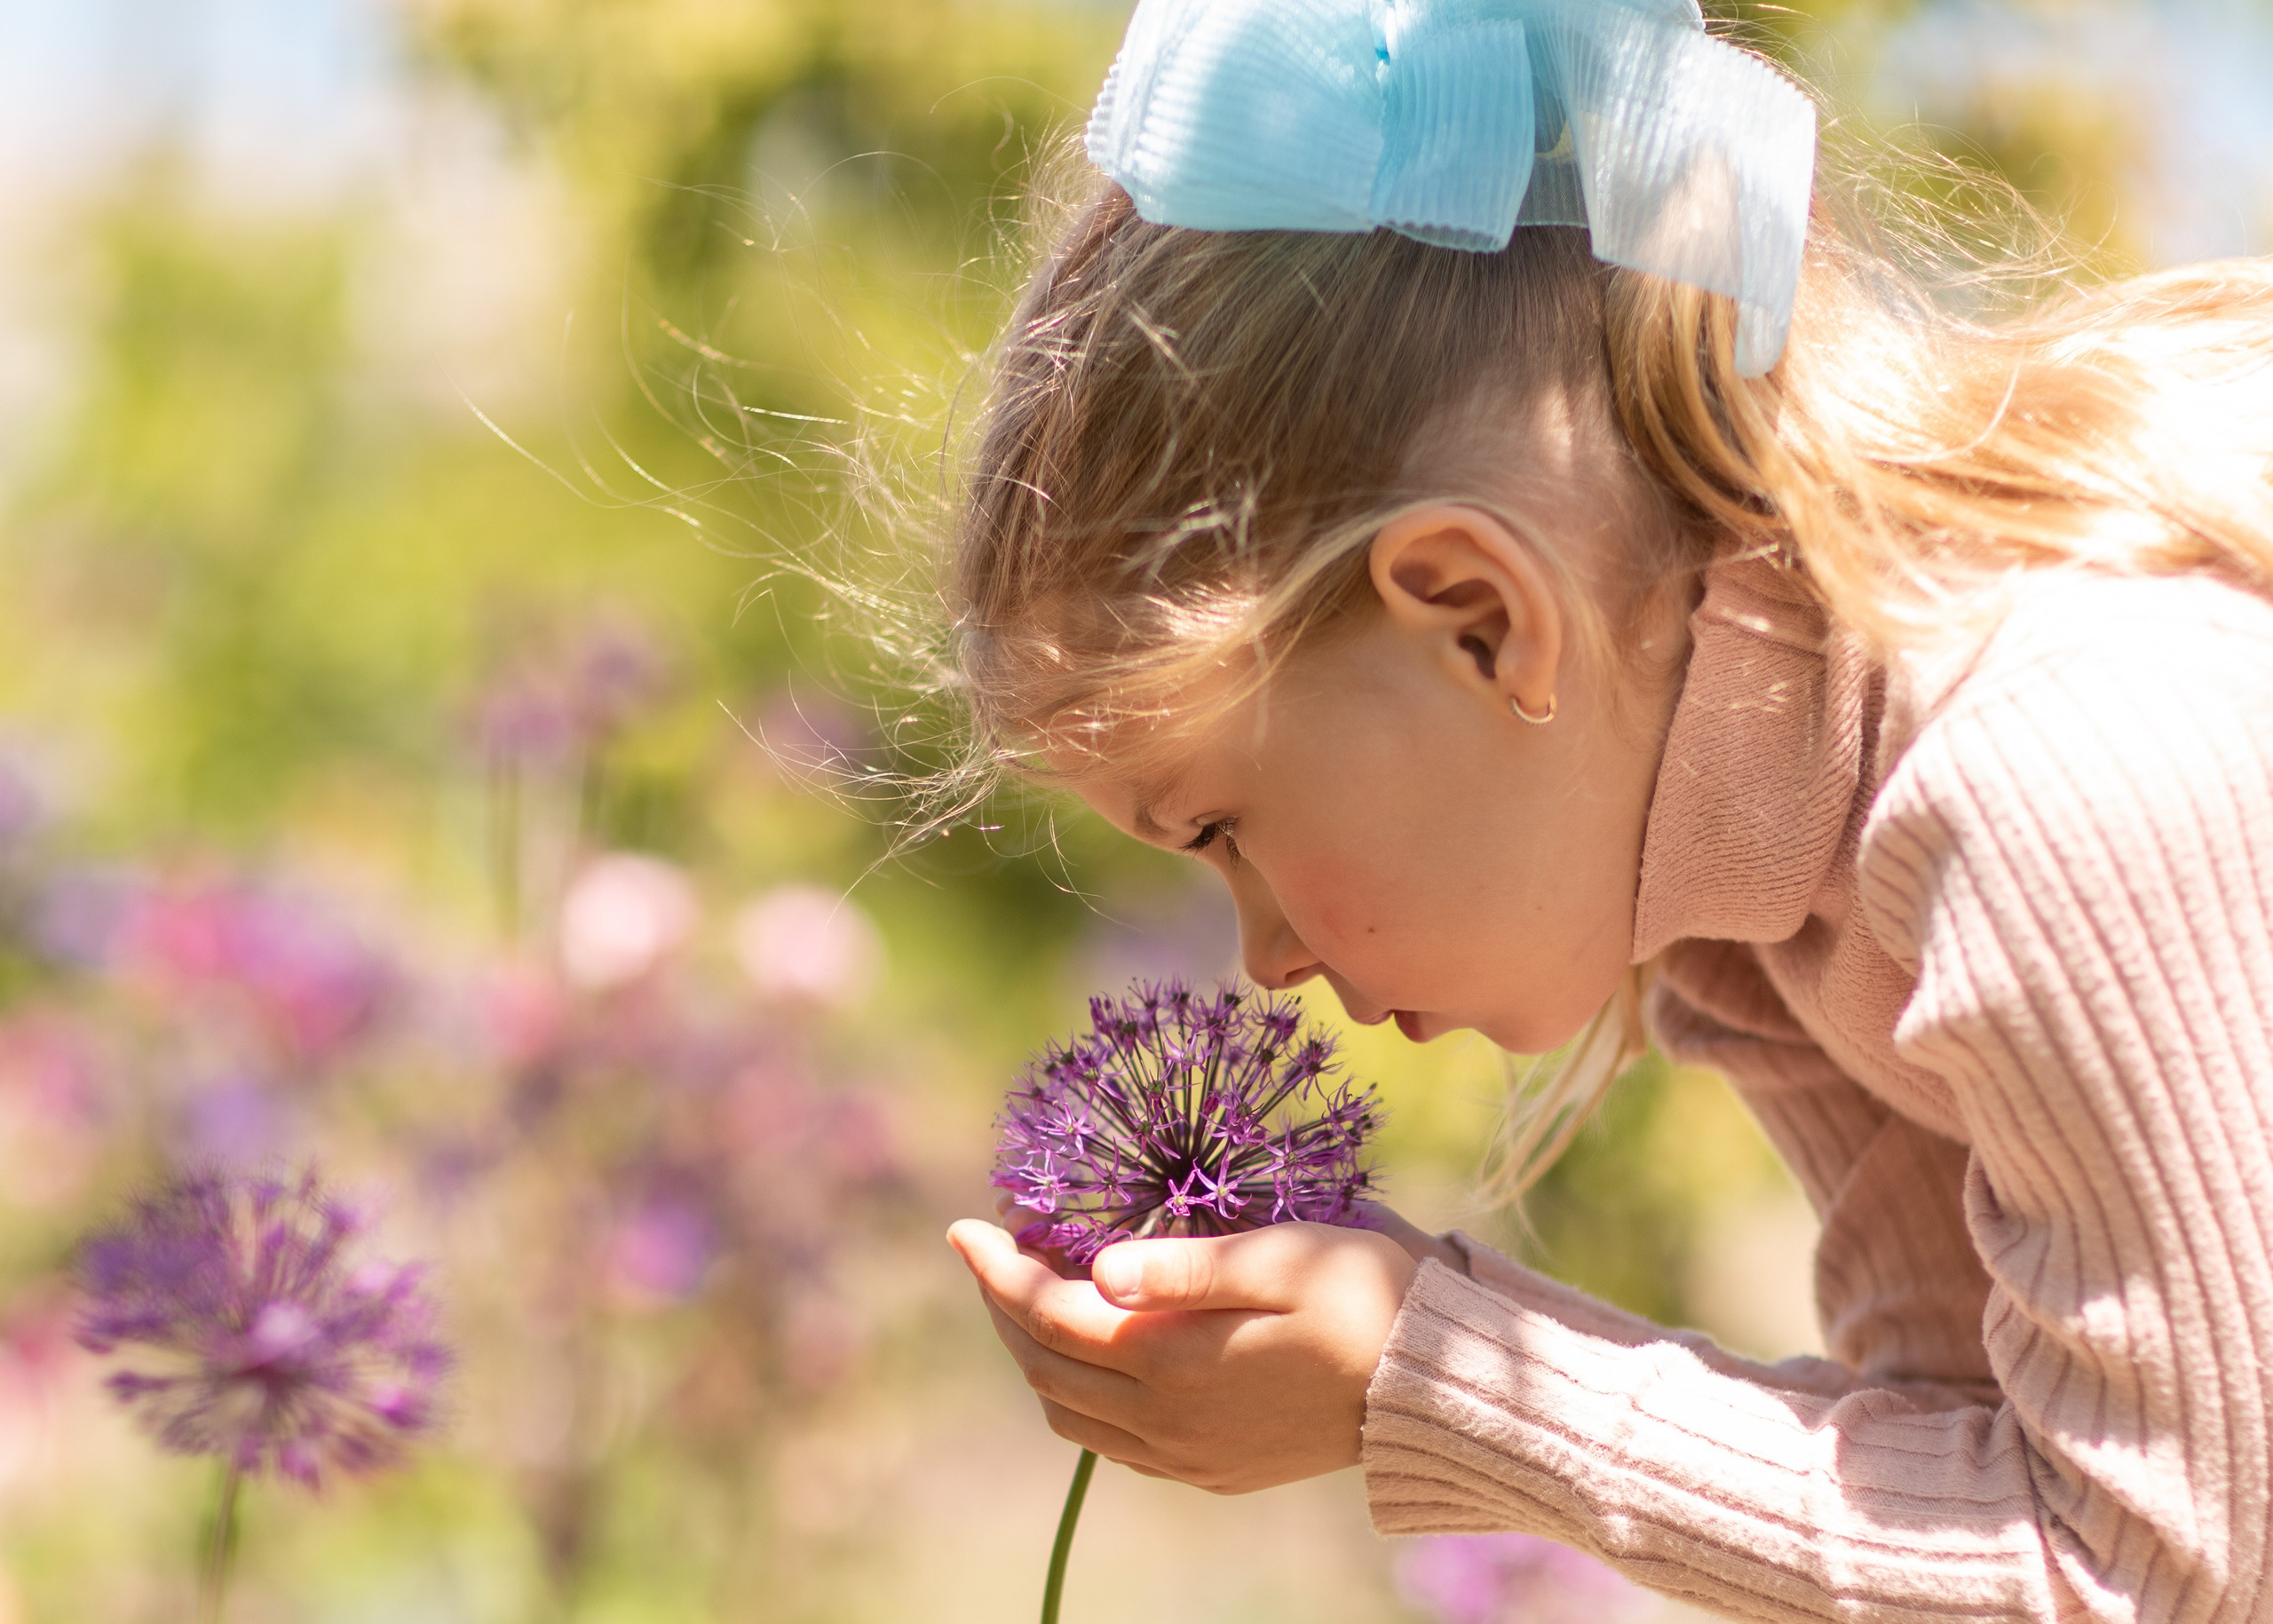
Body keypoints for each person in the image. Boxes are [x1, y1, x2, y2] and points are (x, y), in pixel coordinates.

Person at [939, 0, 2273, 1617]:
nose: (1264, 956)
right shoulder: (1764, 907)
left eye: (1222, 826)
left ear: (1481, 618)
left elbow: (2173, 1572)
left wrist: (1445, 1384)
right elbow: (1972, 1450)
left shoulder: (2063, 781)